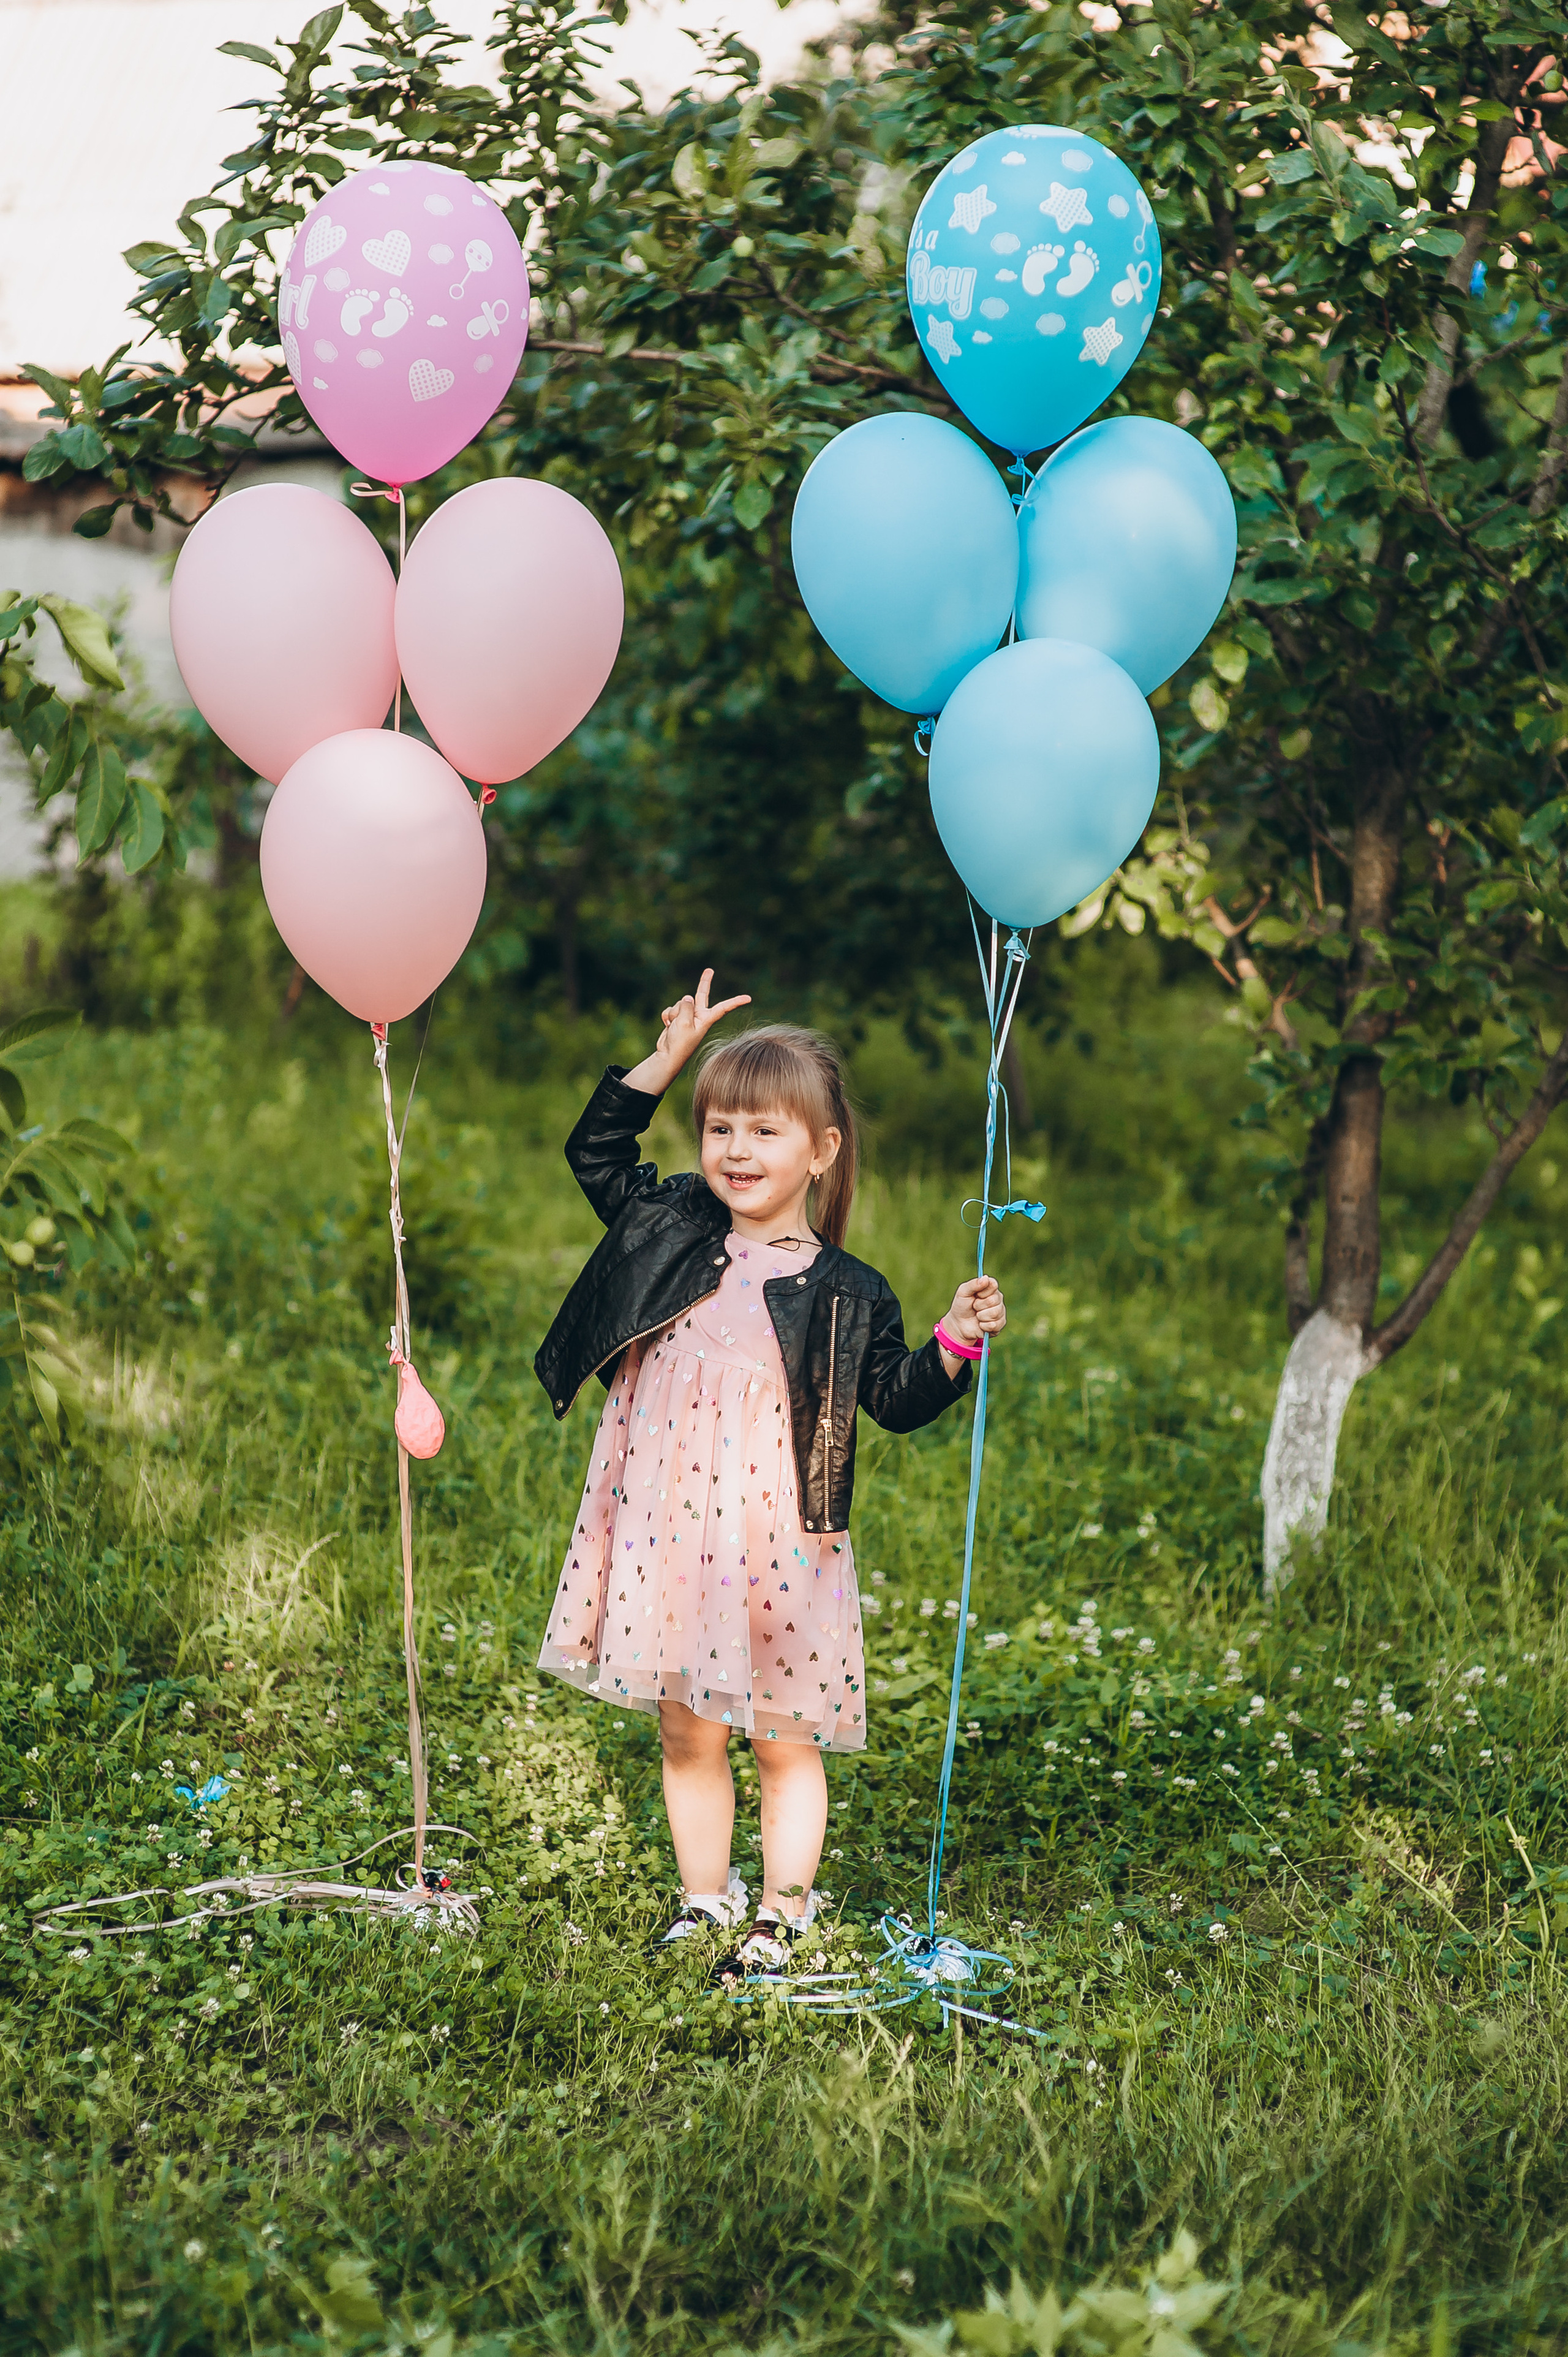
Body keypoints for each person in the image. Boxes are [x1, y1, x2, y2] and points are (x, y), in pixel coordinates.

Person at [534, 971, 1006, 1979]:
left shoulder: (848, 1291)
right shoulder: (666, 1225)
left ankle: (781, 1916)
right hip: (668, 1529)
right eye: (720, 1131)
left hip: (781, 1540)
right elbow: (597, 1151)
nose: (736, 1153)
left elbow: (895, 1397)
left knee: (784, 1738)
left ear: (822, 1151)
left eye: (765, 1133)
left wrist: (953, 1344)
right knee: (685, 1727)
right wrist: (665, 1058)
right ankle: (706, 1900)